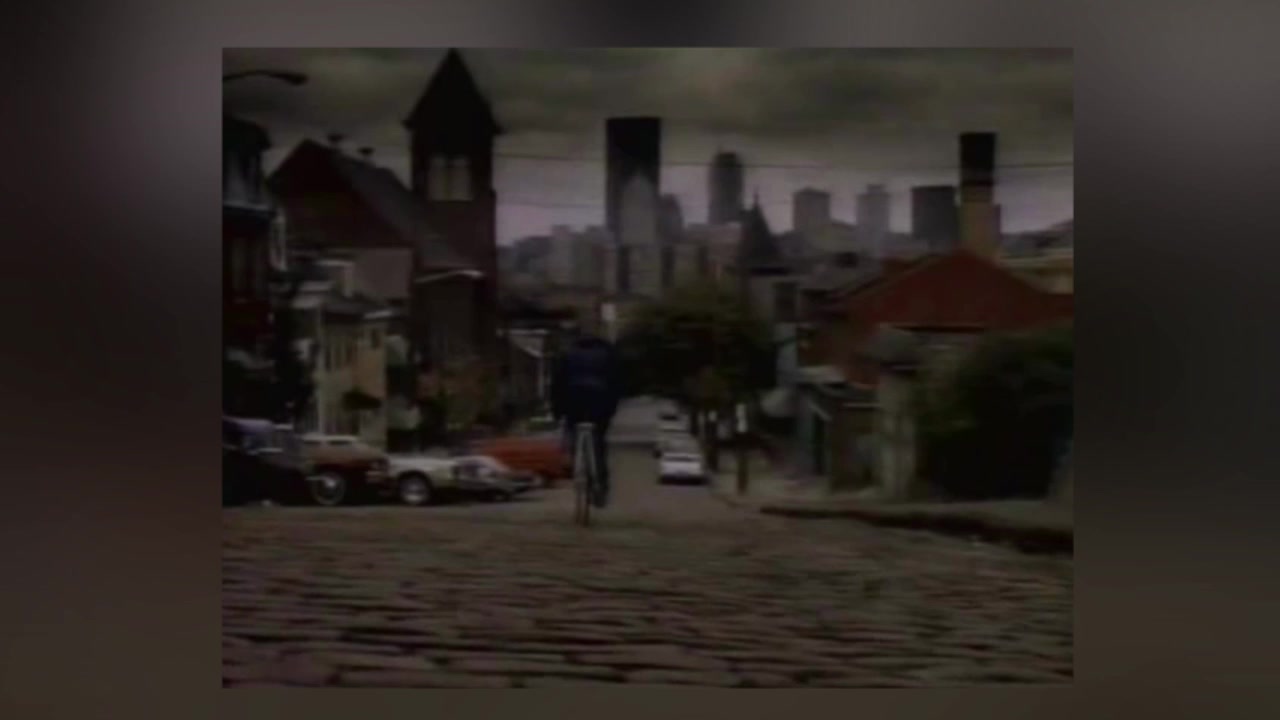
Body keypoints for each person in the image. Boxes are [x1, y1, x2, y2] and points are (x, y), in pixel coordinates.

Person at [549, 322, 622, 508]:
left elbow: (557, 384)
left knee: (572, 431)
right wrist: (612, 409)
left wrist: (557, 412)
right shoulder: (608, 354)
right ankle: (601, 487)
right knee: (599, 443)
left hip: (574, 400)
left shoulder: (568, 354)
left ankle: (577, 464)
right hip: (600, 401)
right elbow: (616, 383)